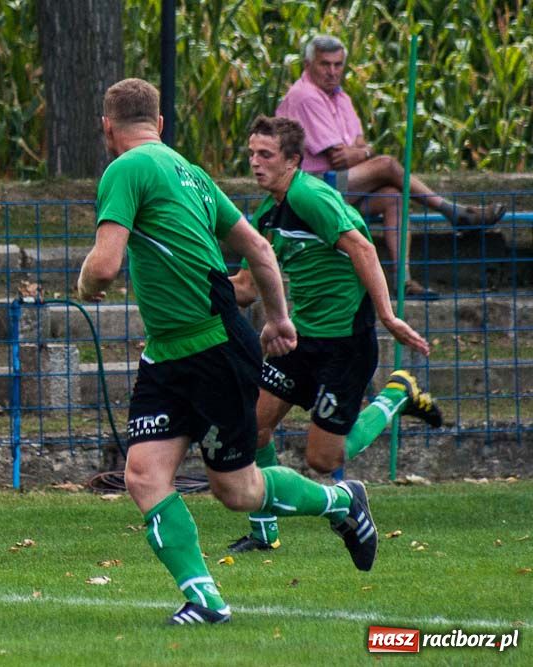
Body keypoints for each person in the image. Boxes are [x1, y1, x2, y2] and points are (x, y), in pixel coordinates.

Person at [77, 78, 382, 627]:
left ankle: (342, 501)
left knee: (237, 491)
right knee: (144, 476)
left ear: (107, 127)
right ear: (160, 124)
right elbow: (259, 249)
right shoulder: (191, 173)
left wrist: (85, 286)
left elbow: (103, 267)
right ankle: (206, 600)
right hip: (170, 351)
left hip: (213, 348)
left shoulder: (123, 170)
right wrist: (281, 318)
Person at [226, 115, 443, 555]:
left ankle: (397, 394)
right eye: (251, 153)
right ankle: (264, 532)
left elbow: (363, 247)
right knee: (253, 430)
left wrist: (387, 314)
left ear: (292, 160)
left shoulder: (310, 196)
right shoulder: (268, 212)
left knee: (323, 460)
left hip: (344, 344)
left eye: (265, 155)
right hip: (299, 340)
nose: (255, 162)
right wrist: (195, 287)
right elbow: (247, 286)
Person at [276, 34, 506, 300]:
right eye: (325, 64)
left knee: (393, 198)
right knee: (386, 165)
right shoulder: (305, 96)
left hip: (341, 186)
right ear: (308, 64)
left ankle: (403, 282)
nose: (332, 72)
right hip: (311, 187)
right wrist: (362, 152)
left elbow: (359, 147)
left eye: (338, 65)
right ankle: (453, 212)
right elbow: (338, 155)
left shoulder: (342, 98)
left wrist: (360, 152)